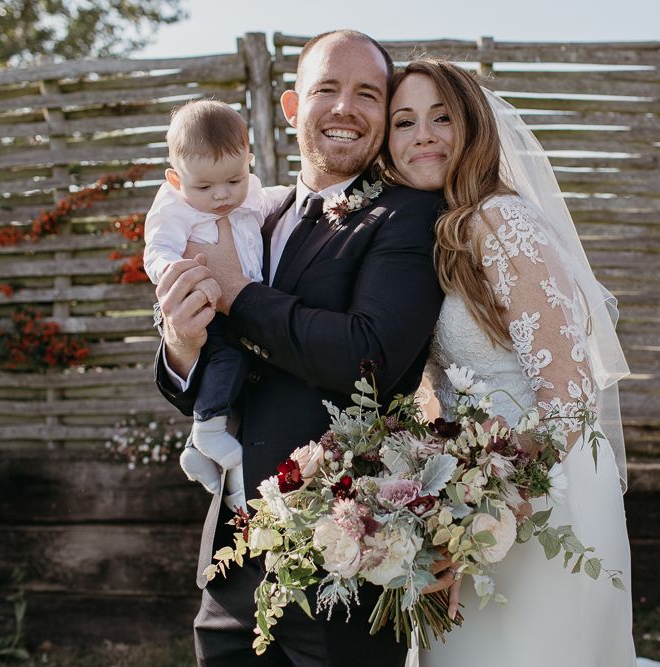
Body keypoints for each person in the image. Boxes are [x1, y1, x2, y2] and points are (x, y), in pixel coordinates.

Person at [153, 30, 444, 667]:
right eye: (327, 90)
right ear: (291, 108)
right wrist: (181, 345)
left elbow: (367, 358)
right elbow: (223, 373)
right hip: (232, 561)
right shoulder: (251, 210)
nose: (345, 107)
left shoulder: (407, 217)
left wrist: (235, 292)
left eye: (367, 93)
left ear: (384, 110)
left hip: (346, 570)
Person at [379, 58, 635, 667]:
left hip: (544, 499)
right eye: (404, 121)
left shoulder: (501, 220)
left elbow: (569, 393)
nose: (424, 136)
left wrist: (498, 504)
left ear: (473, 125)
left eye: (442, 118)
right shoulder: (439, 232)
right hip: (469, 502)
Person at [144, 100, 288, 511]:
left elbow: (271, 202)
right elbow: (157, 250)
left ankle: (196, 446)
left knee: (240, 359)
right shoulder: (173, 206)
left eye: (234, 179)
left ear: (249, 161)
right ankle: (208, 427)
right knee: (228, 357)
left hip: (236, 305)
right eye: (204, 188)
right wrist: (181, 272)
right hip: (194, 301)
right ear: (176, 179)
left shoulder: (250, 193)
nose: (222, 195)